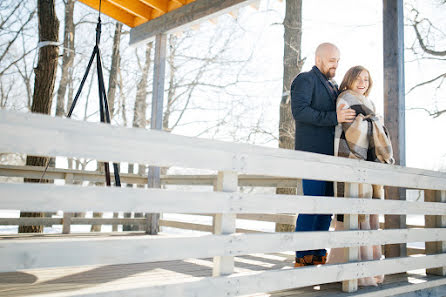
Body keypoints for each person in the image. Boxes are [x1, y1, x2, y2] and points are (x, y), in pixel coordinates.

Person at [327, 65, 394, 286]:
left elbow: (374, 129)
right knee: (353, 216)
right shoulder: (345, 97)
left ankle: (371, 270)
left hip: (369, 166)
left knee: (370, 218)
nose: (363, 82)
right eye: (358, 78)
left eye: (366, 78)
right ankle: (350, 272)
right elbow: (351, 128)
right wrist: (374, 122)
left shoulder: (370, 103)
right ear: (349, 80)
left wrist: (373, 122)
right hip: (351, 160)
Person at [290, 43, 356, 267]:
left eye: (338, 60)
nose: (336, 64)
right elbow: (300, 111)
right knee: (313, 205)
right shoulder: (305, 79)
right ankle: (302, 255)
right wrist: (334, 118)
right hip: (311, 155)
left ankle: (317, 253)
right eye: (331, 60)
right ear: (319, 59)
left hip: (332, 157)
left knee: (327, 208)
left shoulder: (334, 85)